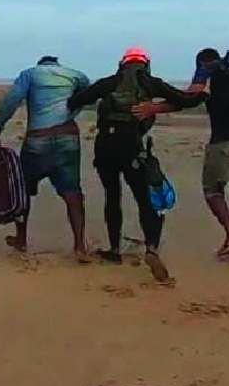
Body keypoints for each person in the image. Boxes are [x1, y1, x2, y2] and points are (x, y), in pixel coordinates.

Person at [67, 47, 206, 282]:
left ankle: (114, 250)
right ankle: (151, 248)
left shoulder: (108, 83)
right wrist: (204, 94)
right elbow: (184, 100)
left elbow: (76, 100)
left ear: (122, 63)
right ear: (145, 64)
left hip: (105, 147)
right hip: (132, 146)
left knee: (113, 196)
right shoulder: (151, 83)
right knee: (145, 198)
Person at [137, 48, 229, 262]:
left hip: (224, 143)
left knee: (212, 190)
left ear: (202, 62)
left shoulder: (207, 73)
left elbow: (188, 100)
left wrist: (153, 109)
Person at [0, 55, 92, 262]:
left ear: (41, 63)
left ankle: (21, 239)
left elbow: (12, 100)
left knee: (22, 190)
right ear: (56, 64)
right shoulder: (76, 76)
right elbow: (88, 96)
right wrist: (72, 111)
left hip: (38, 140)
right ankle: (80, 246)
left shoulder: (30, 74)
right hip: (68, 139)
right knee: (73, 194)